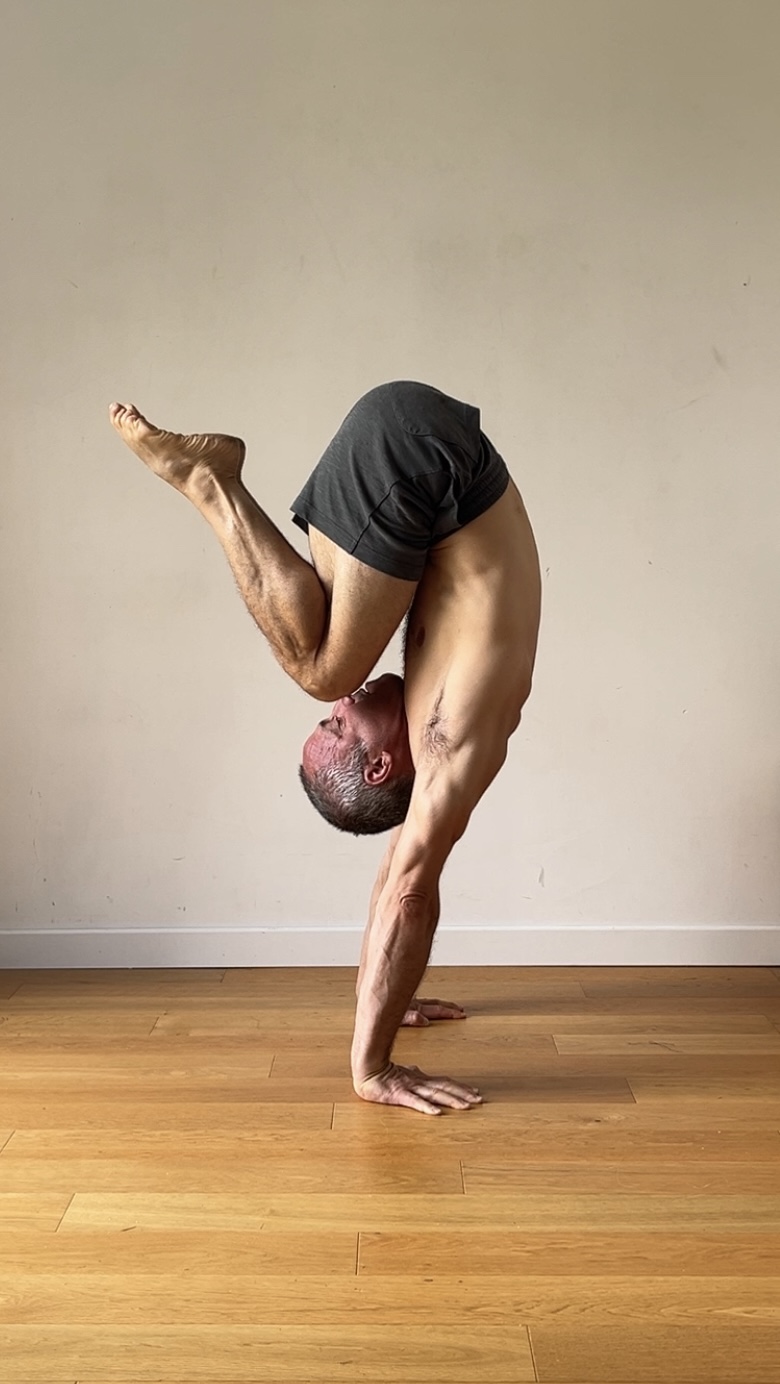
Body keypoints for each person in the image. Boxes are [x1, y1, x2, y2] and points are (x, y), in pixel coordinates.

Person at [109, 381, 541, 1116]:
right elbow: (407, 887)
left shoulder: (439, 736)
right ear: (379, 764)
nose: (345, 710)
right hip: (420, 457)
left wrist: (386, 989)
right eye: (339, 730)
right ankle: (209, 482)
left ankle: (213, 481)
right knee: (321, 670)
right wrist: (371, 1064)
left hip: (426, 463)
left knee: (324, 659)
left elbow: (399, 880)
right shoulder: (451, 741)